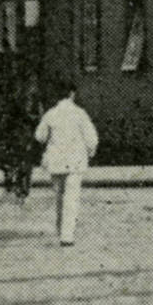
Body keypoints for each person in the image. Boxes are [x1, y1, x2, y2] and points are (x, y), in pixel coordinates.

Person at [35, 79, 98, 246]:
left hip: (56, 161)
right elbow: (91, 137)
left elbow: (39, 136)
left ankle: (59, 229)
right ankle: (67, 236)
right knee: (72, 197)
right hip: (75, 161)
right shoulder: (80, 113)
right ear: (72, 94)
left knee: (59, 197)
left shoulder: (50, 113)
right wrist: (91, 150)